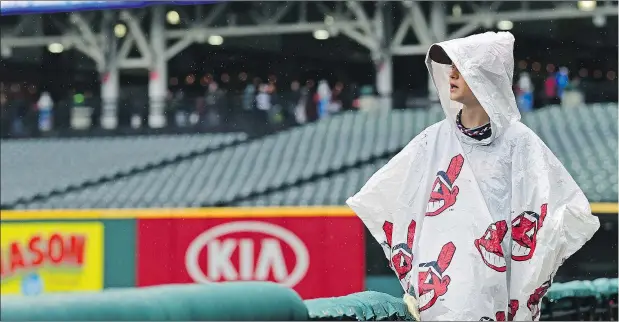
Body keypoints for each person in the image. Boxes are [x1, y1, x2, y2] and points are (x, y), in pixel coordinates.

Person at [346, 31, 600, 321]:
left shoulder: (520, 143)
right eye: (450, 66)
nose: (452, 73)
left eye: (462, 67)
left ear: (486, 76)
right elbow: (386, 199)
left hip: (497, 295)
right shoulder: (433, 140)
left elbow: (566, 213)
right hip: (440, 300)